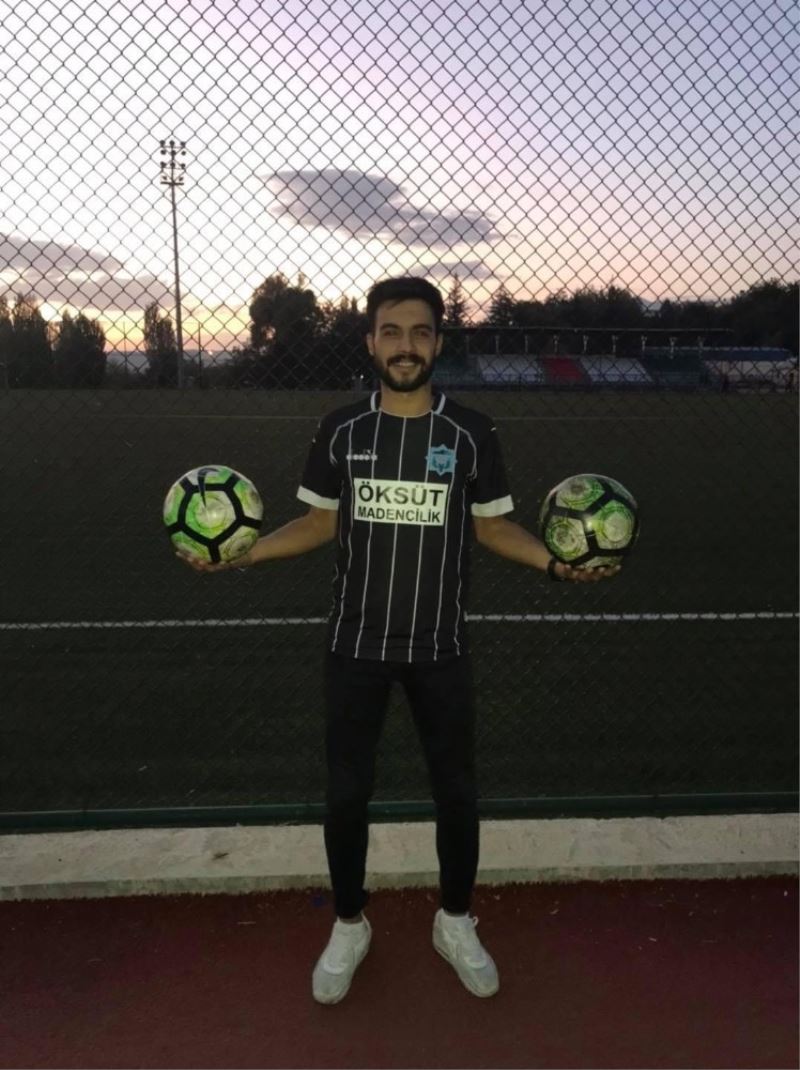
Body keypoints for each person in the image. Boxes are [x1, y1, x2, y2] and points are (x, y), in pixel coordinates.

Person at [177, 276, 619, 1003]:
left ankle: (455, 920)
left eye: (419, 332)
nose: (405, 346)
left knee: (458, 794)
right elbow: (318, 523)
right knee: (347, 795)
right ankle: (349, 924)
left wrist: (554, 562)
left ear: (438, 342)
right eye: (391, 331)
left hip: (440, 646)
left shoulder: (471, 433)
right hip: (355, 646)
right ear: (370, 341)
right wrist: (241, 554)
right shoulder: (342, 430)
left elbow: (493, 528)